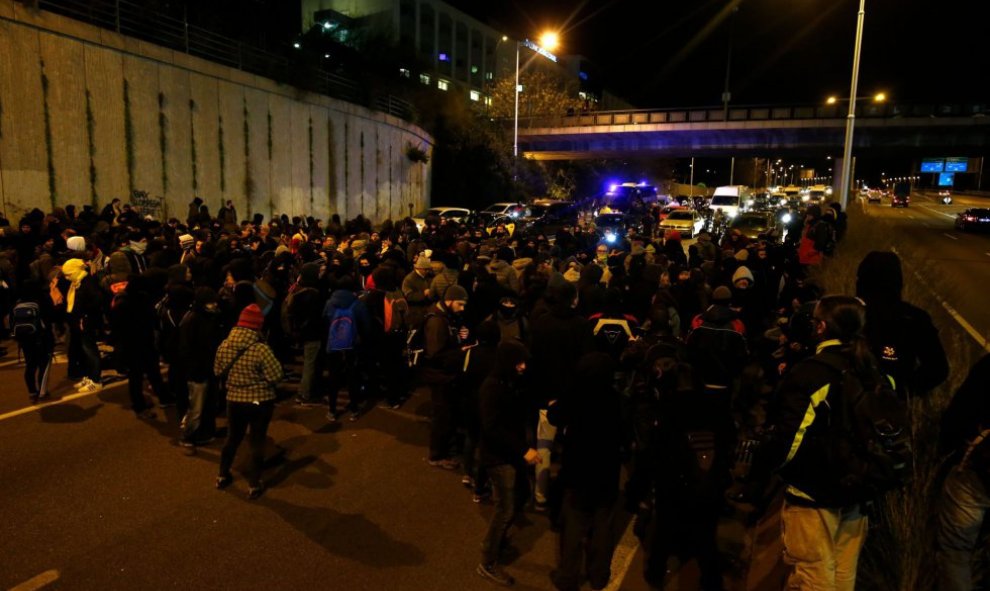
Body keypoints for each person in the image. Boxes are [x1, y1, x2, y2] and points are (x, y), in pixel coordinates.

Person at [759, 295, 886, 590]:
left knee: (814, 575)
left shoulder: (812, 372)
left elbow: (789, 439)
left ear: (821, 327)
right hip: (858, 488)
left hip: (814, 491)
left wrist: (768, 468)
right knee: (843, 572)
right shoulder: (870, 367)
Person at [548, 352, 624, 591]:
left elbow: (554, 416)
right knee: (603, 527)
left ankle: (568, 577)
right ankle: (599, 576)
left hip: (578, 470)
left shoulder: (576, 395)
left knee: (573, 526)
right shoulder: (617, 399)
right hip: (607, 472)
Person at [477, 340, 539, 587]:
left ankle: (497, 543)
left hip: (509, 454)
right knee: (505, 509)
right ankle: (488, 561)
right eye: (518, 363)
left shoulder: (510, 381)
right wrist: (524, 450)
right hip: (498, 458)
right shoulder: (491, 388)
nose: (523, 367)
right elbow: (492, 427)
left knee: (518, 497)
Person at [855, 251, 948, 399]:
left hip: (849, 406)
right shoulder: (914, 318)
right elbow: (937, 369)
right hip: (892, 409)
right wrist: (904, 391)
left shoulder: (849, 312)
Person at [214, 304, 284, 499]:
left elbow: (217, 371)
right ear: (257, 326)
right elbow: (276, 375)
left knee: (233, 438)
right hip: (259, 401)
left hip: (234, 401)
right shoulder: (261, 349)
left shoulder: (224, 345)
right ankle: (254, 483)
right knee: (256, 440)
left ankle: (222, 474)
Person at [936, 354, 990, 591]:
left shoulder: (988, 366)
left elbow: (960, 412)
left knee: (955, 551)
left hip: (980, 471)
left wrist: (948, 453)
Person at [422, 284, 471, 469]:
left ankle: (443, 449)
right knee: (442, 416)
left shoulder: (445, 316)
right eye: (459, 304)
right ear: (449, 301)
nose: (462, 308)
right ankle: (437, 455)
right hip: (439, 376)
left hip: (442, 374)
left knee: (445, 414)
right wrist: (461, 352)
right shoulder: (437, 321)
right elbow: (436, 354)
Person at [177, 287, 224, 447]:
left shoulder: (211, 317)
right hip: (197, 371)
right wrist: (194, 370)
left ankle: (207, 433)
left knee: (210, 404)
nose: (214, 305)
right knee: (196, 409)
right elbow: (186, 349)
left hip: (210, 368)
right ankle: (187, 437)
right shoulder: (192, 320)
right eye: (211, 302)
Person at [11, 279, 56, 402]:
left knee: (30, 365)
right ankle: (42, 392)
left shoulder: (19, 302)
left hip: (25, 339)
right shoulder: (42, 298)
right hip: (42, 337)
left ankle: (32, 392)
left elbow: (12, 322)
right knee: (44, 364)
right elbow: (52, 316)